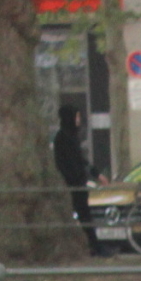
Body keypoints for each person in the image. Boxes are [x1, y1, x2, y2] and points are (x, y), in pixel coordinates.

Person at [53, 104, 93, 245]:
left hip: (78, 182)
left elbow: (80, 160)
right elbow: (70, 161)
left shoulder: (71, 136)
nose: (79, 120)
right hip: (73, 183)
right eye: (76, 117)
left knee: (85, 215)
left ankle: (93, 244)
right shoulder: (63, 137)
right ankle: (92, 244)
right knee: (83, 215)